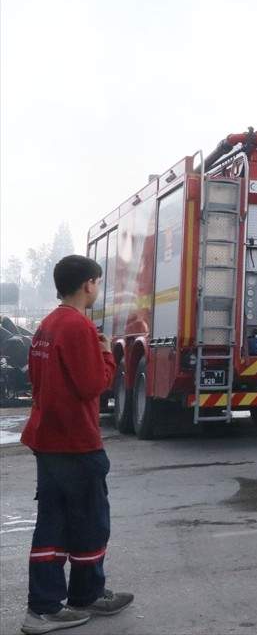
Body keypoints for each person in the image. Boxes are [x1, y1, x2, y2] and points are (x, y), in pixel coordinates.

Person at [20, 255, 134, 634]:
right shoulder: (78, 327)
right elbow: (92, 386)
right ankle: (79, 598)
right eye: (98, 283)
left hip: (48, 439)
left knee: (53, 523)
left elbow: (38, 382)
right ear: (88, 284)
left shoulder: (47, 326)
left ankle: (48, 606)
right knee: (90, 522)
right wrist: (106, 353)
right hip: (76, 442)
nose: (98, 290)